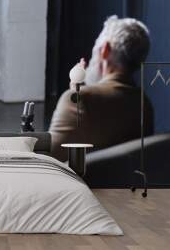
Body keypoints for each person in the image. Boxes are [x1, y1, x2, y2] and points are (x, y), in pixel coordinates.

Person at [49, 16, 154, 162]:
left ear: (105, 50)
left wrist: (74, 97)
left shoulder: (80, 100)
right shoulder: (144, 105)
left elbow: (49, 159)